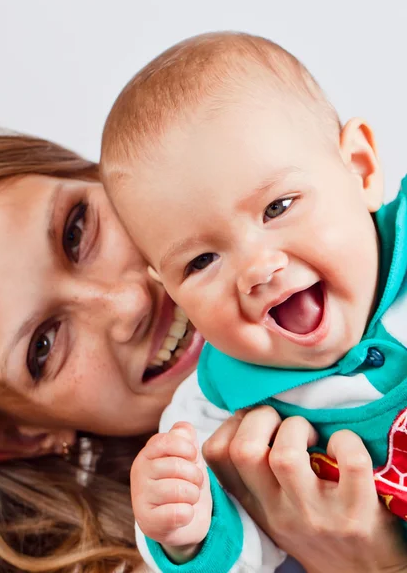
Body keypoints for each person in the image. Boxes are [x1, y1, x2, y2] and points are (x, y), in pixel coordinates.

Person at [0, 124, 405, 573]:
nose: (129, 302)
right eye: (43, 346)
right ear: (20, 434)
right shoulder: (189, 536)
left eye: (76, 230)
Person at [100, 31, 407, 572]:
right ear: (173, 292)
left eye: (278, 207)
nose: (258, 269)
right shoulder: (217, 407)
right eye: (200, 262)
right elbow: (247, 558)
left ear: (359, 169)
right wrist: (184, 534)